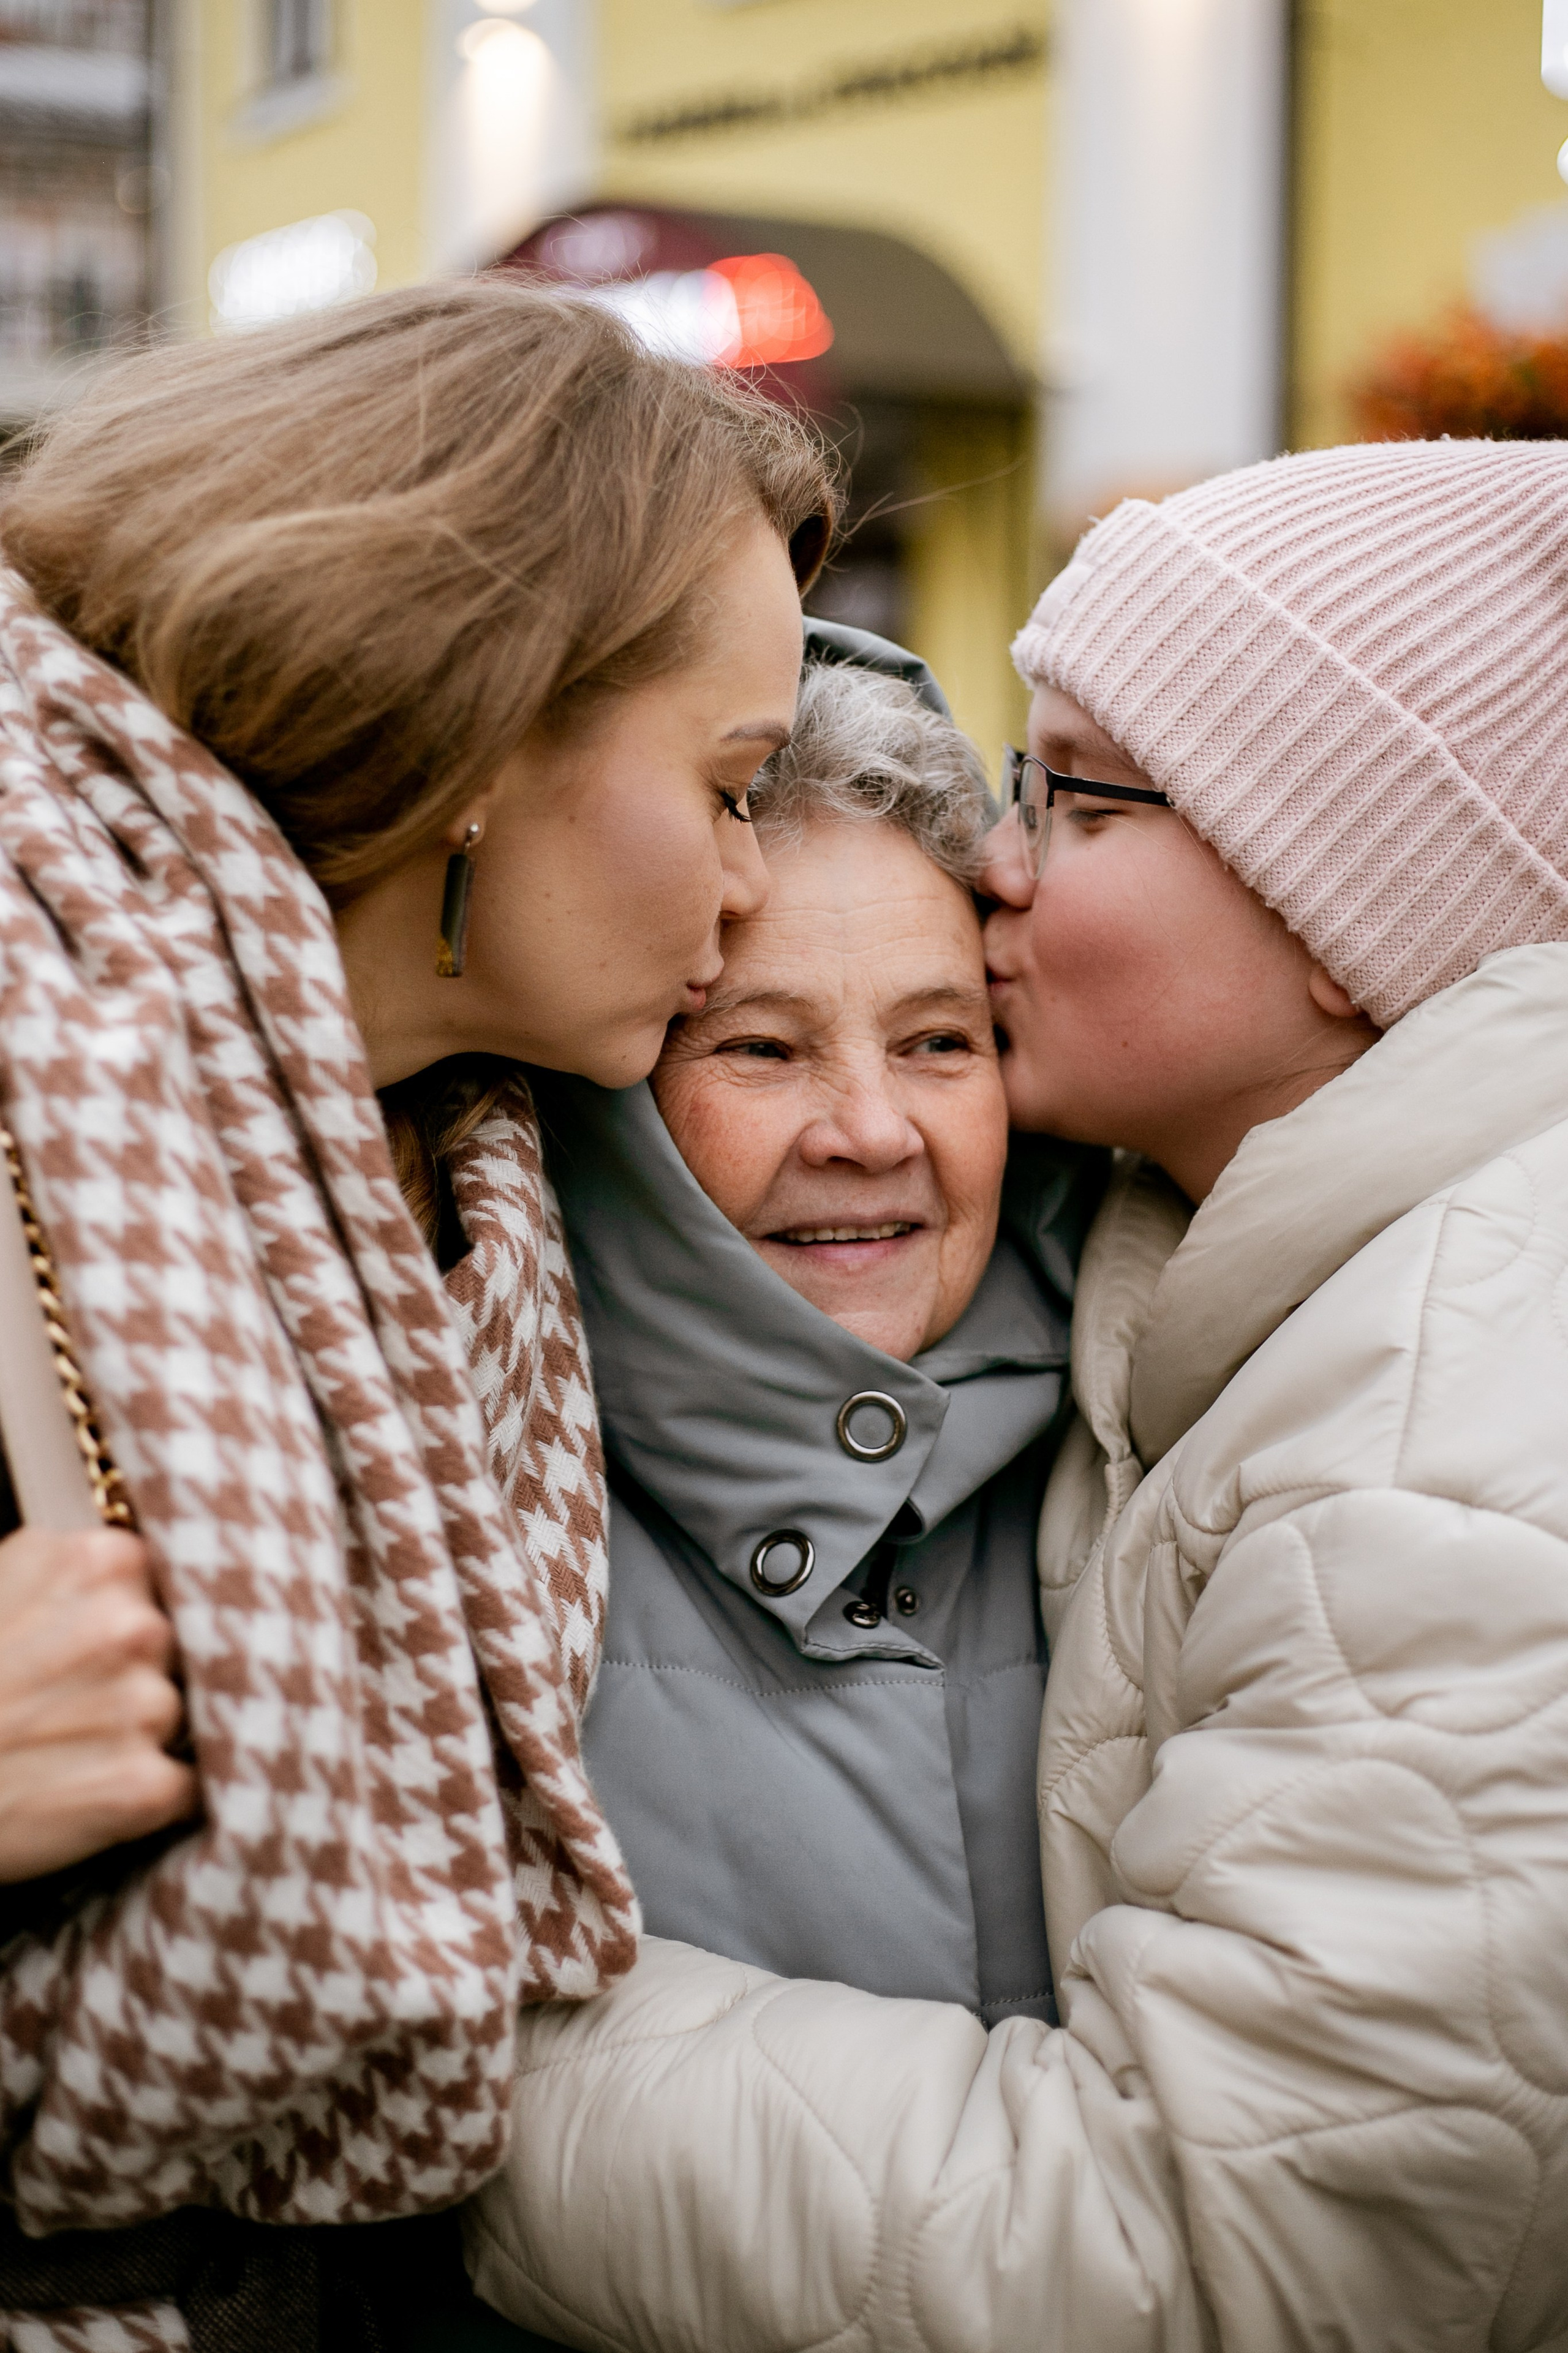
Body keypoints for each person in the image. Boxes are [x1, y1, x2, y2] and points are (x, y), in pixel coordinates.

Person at [466, 436, 1568, 2353]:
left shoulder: (1452, 1428)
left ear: (1338, 892)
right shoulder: (1220, 1319)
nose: (1002, 855)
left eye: (1080, 798)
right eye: (756, 1041)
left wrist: (416, 2046)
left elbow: (1224, 2251)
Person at [0, 278, 832, 2351]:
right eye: (732, 783)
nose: (751, 891)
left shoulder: (493, 1182)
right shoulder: (49, 1063)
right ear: (481, 719)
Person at [529, 657, 1102, 2025]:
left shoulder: (1153, 1446)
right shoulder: (485, 1502)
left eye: (937, 1041)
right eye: (761, 1048)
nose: (870, 1129)